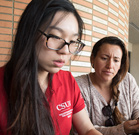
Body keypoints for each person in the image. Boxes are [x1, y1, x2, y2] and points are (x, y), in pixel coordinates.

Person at [0, 0, 103, 135]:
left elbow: (88, 129)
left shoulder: (67, 81)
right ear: (30, 33)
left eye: (72, 41)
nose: (65, 51)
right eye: (56, 36)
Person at [75, 36, 139, 135]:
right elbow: (82, 129)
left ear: (121, 64)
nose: (110, 66)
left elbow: (137, 108)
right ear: (93, 58)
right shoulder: (78, 85)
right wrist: (121, 130)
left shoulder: (128, 80)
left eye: (116, 60)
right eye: (104, 58)